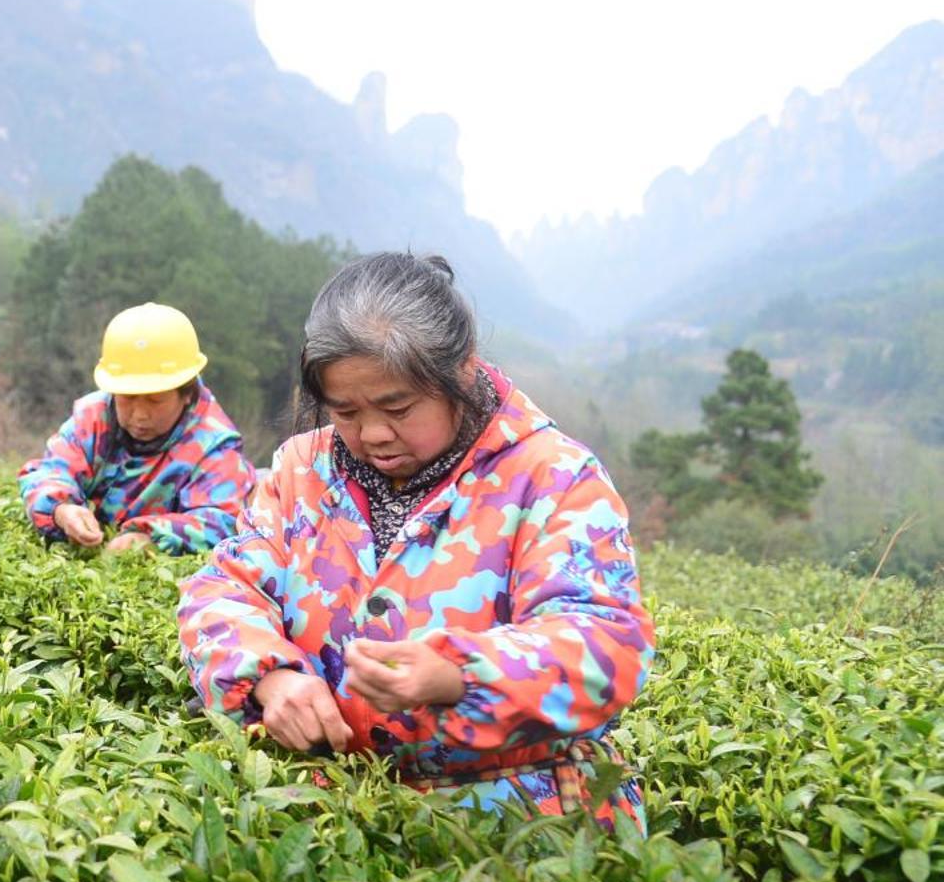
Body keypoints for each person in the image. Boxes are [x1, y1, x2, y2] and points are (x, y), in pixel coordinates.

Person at [178, 253, 654, 827]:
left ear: (461, 374)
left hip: (521, 819)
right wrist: (269, 679)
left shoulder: (551, 477)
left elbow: (605, 645)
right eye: (345, 411)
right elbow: (225, 589)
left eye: (398, 407)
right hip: (335, 813)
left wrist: (457, 676)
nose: (373, 434)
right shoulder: (301, 469)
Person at [19, 302, 256, 556]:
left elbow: (222, 520)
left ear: (186, 393)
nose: (140, 415)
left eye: (155, 400)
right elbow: (50, 470)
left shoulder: (214, 443)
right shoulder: (93, 416)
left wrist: (150, 537)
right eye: (128, 398)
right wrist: (62, 510)